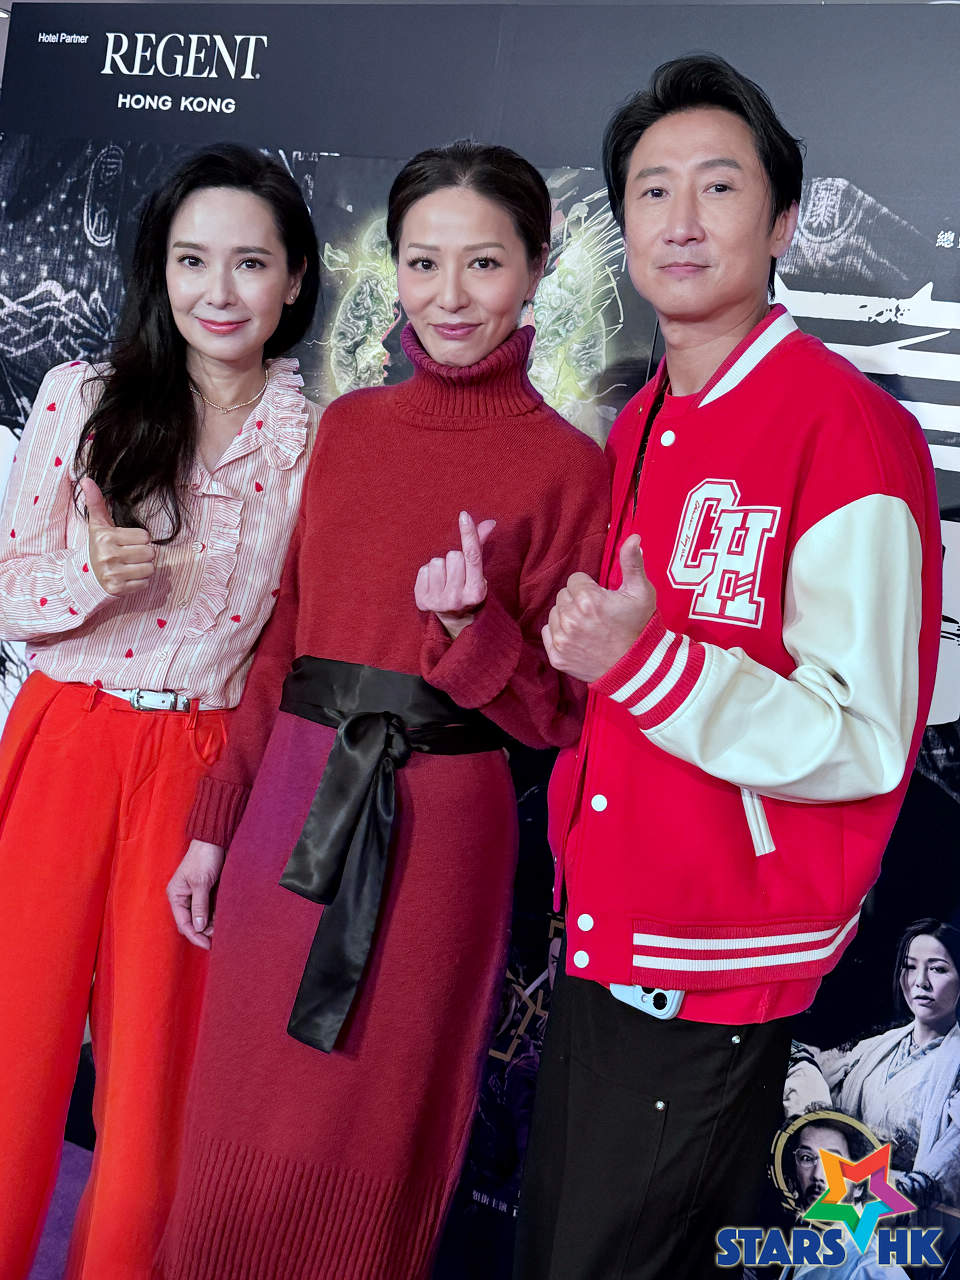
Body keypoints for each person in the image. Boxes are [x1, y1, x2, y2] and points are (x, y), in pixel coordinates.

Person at [516, 54, 942, 1280]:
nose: (681, 221)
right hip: (608, 944)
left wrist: (643, 661)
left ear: (785, 221)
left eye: (718, 186)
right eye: (652, 191)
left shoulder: (846, 427)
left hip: (709, 975)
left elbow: (865, 736)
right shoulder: (646, 416)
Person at [155, 141, 610, 1280]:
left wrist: (473, 631)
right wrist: (214, 824)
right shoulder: (349, 429)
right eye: (422, 261)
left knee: (375, 1123)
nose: (449, 296)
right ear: (390, 267)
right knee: (236, 1120)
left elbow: (560, 716)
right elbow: (281, 645)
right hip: (288, 811)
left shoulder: (572, 468)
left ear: (537, 266)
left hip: (442, 835)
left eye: (484, 263)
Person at [0, 143, 320, 1280]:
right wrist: (90, 575)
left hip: (199, 760)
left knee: (153, 1083)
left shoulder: (316, 444)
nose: (217, 291)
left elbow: (289, 646)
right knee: (13, 1046)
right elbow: (13, 592)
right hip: (67, 736)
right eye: (192, 260)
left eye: (249, 262)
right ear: (160, 268)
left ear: (294, 279)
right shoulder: (83, 396)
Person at [796, 921, 960, 1232]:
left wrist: (894, 1193)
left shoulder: (956, 1064)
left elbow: (950, 1156)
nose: (920, 982)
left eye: (938, 969)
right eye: (910, 967)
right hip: (836, 1203)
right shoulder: (874, 1048)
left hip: (906, 1221)